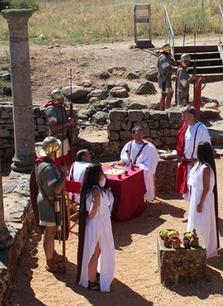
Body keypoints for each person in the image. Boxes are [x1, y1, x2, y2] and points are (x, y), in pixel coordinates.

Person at [77, 164, 115, 292]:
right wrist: (90, 219)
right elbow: (94, 211)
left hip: (98, 222)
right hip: (98, 223)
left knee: (96, 250)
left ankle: (91, 276)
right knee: (95, 252)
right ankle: (91, 281)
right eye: (101, 173)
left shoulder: (94, 189)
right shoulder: (96, 191)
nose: (103, 175)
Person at [34, 136, 67, 274]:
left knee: (51, 231)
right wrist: (64, 174)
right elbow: (56, 189)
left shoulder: (42, 163)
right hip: (49, 202)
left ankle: (52, 253)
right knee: (49, 232)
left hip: (48, 200)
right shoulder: (47, 168)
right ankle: (50, 261)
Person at [187, 141, 220, 258]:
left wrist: (200, 203)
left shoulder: (205, 168)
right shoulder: (198, 165)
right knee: (196, 222)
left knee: (203, 224)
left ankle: (204, 249)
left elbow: (206, 188)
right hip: (196, 198)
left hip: (204, 200)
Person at [120, 126, 159, 203]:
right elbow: (125, 159)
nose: (139, 136)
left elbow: (151, 164)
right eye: (137, 134)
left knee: (147, 176)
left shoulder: (150, 148)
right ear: (133, 135)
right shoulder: (129, 144)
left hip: (143, 171)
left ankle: (145, 198)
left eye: (141, 134)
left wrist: (139, 166)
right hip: (130, 170)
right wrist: (121, 163)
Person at [45, 89, 75, 169]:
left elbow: (63, 122)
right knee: (57, 164)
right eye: (60, 99)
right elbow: (54, 128)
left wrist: (68, 120)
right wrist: (68, 123)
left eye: (62, 98)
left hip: (64, 138)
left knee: (66, 161)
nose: (62, 100)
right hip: (56, 140)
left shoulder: (61, 108)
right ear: (56, 100)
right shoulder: (51, 111)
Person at [157, 43, 177, 110]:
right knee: (170, 94)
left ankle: (162, 110)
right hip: (164, 80)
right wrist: (176, 69)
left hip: (164, 79)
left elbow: (174, 63)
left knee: (164, 95)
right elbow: (167, 70)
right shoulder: (164, 58)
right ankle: (167, 110)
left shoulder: (166, 57)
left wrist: (171, 58)